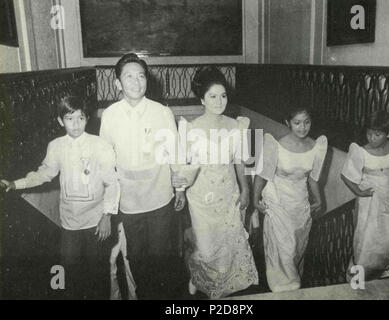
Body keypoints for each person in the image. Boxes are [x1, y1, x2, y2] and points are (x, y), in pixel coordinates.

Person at [0, 96, 120, 299]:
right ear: (60, 120)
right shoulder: (56, 146)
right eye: (69, 118)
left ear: (87, 119)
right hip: (70, 224)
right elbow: (43, 174)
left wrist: (107, 215)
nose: (75, 124)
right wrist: (15, 183)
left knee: (97, 275)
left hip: (96, 222)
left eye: (80, 118)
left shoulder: (100, 145)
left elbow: (112, 183)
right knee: (69, 273)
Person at [99, 53, 186, 299]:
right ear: (117, 83)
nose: (136, 82)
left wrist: (179, 188)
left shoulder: (161, 112)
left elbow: (175, 152)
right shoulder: (110, 115)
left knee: (162, 258)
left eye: (141, 76)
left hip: (160, 198)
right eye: (129, 76)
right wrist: (108, 203)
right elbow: (106, 161)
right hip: (128, 202)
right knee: (136, 258)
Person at [175, 66, 259, 299]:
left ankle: (219, 288)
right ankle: (198, 276)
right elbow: (184, 166)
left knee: (228, 243)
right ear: (202, 99)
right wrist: (180, 191)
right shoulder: (190, 129)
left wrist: (245, 190)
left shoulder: (236, 126)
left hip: (228, 191)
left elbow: (240, 161)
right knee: (206, 245)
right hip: (201, 196)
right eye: (212, 96)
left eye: (223, 95)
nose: (219, 101)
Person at [252, 105, 328, 293]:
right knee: (282, 252)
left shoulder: (317, 146)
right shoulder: (275, 145)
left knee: (296, 251)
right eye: (297, 123)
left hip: (300, 204)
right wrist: (255, 200)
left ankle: (293, 288)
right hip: (277, 200)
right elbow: (262, 175)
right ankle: (283, 291)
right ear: (288, 123)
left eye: (307, 122)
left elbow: (313, 179)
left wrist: (319, 200)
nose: (303, 127)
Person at [341, 110, 389, 280]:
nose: (371, 137)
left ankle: (388, 278)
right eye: (369, 133)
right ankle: (357, 284)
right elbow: (345, 175)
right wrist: (359, 192)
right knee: (367, 242)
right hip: (370, 202)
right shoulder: (360, 151)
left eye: (377, 134)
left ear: (388, 133)